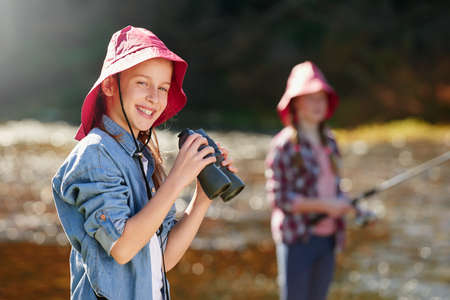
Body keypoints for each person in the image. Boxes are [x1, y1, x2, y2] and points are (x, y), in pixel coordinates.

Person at [52, 25, 236, 300]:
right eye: (142, 82)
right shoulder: (95, 155)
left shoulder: (142, 158)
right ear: (110, 85)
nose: (154, 97)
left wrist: (202, 198)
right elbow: (123, 248)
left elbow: (160, 259)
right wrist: (176, 180)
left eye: (163, 88)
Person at [265, 61, 355, 300]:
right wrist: (326, 206)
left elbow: (334, 188)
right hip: (297, 239)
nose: (318, 104)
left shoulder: (330, 141)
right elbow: (280, 199)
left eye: (321, 98)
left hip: (328, 239)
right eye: (310, 98)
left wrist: (353, 208)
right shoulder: (283, 145)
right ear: (295, 103)